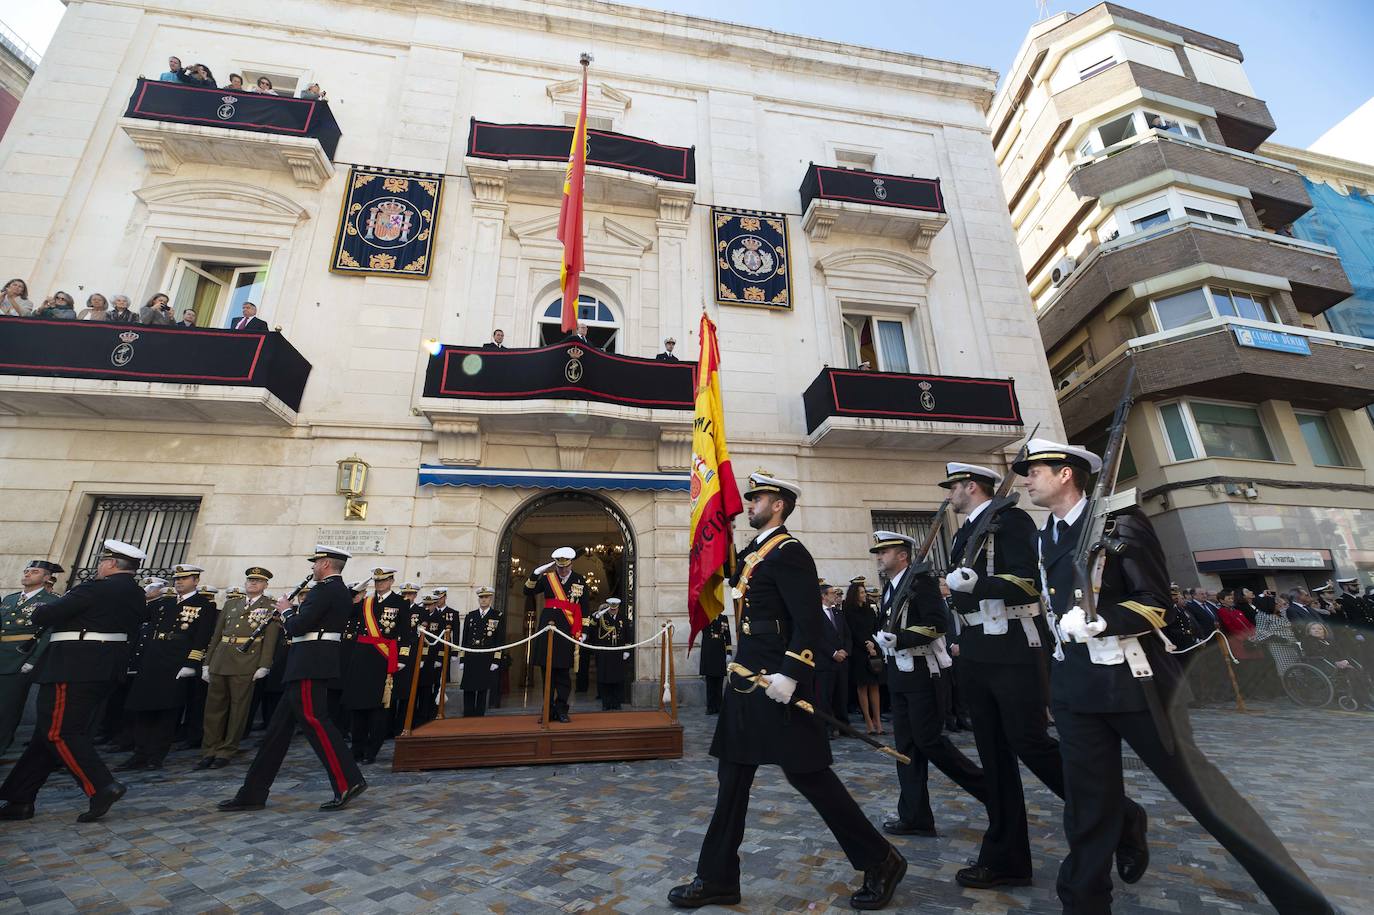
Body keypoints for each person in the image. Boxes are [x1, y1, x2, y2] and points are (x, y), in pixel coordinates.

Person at [1019, 437, 1334, 914]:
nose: (1026, 479)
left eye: (1034, 471)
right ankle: (1083, 903)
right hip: (1076, 687)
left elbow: (1155, 602)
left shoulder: (1120, 520)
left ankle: (1303, 903)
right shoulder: (1045, 537)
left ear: (1065, 473)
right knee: (1087, 809)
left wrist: (1105, 620)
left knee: (1206, 797)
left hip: (1134, 682)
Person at [669, 472, 904, 910]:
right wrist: (712, 519)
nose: (749, 503)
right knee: (731, 780)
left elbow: (808, 621)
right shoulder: (755, 551)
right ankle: (717, 878)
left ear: (778, 505)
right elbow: (725, 570)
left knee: (810, 775)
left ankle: (882, 859)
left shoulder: (790, 552)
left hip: (776, 683)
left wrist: (791, 673)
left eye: (756, 498)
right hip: (747, 681)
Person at [940, 460, 1148, 890]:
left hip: (1013, 646)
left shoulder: (1011, 520)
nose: (949, 495)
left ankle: (1122, 815)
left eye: (953, 487)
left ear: (971, 486)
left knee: (1029, 743)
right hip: (976, 647)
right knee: (994, 758)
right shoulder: (964, 534)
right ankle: (1006, 858)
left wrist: (977, 585)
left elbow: (1029, 583)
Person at [0, 540, 146, 823]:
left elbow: (44, 614)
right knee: (46, 735)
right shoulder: (136, 593)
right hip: (103, 668)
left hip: (73, 667)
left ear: (111, 564)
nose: (100, 566)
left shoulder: (94, 588)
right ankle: (20, 798)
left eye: (102, 561)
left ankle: (101, 786)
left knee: (60, 732)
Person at [217, 545, 366, 812]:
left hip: (310, 663)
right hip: (306, 663)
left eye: (315, 563)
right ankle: (252, 792)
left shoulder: (324, 590)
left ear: (325, 564)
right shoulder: (337, 591)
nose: (312, 567)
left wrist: (286, 610)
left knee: (316, 722)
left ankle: (348, 781)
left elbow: (298, 626)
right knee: (276, 733)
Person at [868, 529, 988, 839]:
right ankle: (915, 816)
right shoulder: (891, 587)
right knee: (907, 749)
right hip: (900, 673)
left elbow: (938, 624)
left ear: (903, 555)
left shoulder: (920, 583)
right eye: (878, 552)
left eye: (884, 552)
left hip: (922, 673)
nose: (879, 557)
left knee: (930, 742)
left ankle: (989, 791)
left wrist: (901, 638)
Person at [119, 564, 215, 771]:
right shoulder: (164, 603)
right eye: (177, 578)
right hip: (152, 659)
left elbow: (202, 637)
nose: (179, 582)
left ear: (196, 581)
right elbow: (140, 618)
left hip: (176, 661)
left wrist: (192, 663)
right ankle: (139, 753)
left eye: (184, 578)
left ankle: (156, 755)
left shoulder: (203, 605)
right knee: (143, 707)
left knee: (167, 711)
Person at [197, 567, 280, 770]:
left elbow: (270, 640)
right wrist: (207, 662)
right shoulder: (232, 604)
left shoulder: (270, 607)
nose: (253, 583)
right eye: (250, 580)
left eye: (258, 581)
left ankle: (226, 750)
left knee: (238, 709)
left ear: (265, 585)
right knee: (213, 709)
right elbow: (217, 635)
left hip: (246, 662)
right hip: (221, 659)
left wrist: (264, 665)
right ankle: (209, 749)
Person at [344, 568, 409, 763]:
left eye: (383, 580)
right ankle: (357, 748)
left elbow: (406, 633)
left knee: (378, 708)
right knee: (358, 705)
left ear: (391, 581)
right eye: (376, 581)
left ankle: (371, 750)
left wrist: (403, 658)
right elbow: (347, 610)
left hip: (383, 658)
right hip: (361, 658)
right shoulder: (367, 602)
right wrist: (354, 590)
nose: (379, 584)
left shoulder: (401, 603)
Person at [0, 560, 64, 759]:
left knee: (7, 707)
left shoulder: (52, 600)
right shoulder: (10, 599)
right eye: (26, 570)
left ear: (46, 578)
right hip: (2, 653)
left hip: (20, 658)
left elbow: (49, 632)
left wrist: (33, 660)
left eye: (34, 572)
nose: (27, 574)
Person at [525, 547, 587, 723]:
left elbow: (584, 606)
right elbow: (527, 591)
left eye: (565, 567)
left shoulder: (579, 580)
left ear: (571, 564)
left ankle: (561, 710)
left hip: (567, 631)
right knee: (547, 674)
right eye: (560, 567)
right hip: (547, 630)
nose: (562, 570)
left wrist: (584, 631)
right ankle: (547, 710)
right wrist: (535, 574)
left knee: (563, 676)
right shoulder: (548, 578)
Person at [844, 577, 883, 735]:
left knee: (875, 686)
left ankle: (878, 721)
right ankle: (868, 721)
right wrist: (865, 644)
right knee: (862, 687)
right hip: (859, 652)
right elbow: (851, 631)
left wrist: (873, 644)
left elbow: (876, 628)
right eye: (861, 592)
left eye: (864, 592)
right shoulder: (848, 611)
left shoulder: (869, 610)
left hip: (873, 649)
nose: (864, 595)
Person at [458, 587, 504, 717]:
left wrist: (496, 660)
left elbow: (499, 640)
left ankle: (479, 715)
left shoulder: (497, 616)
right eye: (481, 597)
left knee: (482, 688)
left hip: (486, 657)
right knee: (468, 687)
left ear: (491, 599)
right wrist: (462, 659)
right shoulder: (471, 616)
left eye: (486, 597)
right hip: (471, 656)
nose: (483, 600)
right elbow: (465, 639)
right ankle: (468, 714)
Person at [815, 582, 850, 736]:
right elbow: (817, 637)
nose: (835, 595)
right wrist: (833, 653)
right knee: (825, 697)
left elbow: (847, 635)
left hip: (842, 661)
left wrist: (845, 651)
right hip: (825, 662)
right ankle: (827, 727)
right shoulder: (816, 614)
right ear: (823, 596)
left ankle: (844, 726)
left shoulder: (838, 613)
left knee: (841, 696)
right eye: (832, 593)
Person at [592, 598, 631, 710]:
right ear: (608, 608)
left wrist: (627, 650)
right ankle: (606, 703)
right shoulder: (602, 617)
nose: (613, 611)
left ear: (618, 608)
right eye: (611, 609)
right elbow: (592, 626)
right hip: (605, 652)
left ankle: (617, 703)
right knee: (605, 679)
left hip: (618, 652)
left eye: (615, 609)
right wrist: (597, 616)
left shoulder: (623, 618)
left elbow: (627, 634)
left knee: (618, 679)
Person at [698, 612, 731, 715]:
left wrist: (729, 653)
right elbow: (698, 626)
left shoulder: (724, 618)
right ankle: (710, 707)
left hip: (720, 652)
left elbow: (727, 636)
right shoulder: (705, 617)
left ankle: (719, 706)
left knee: (719, 682)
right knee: (710, 682)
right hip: (709, 653)